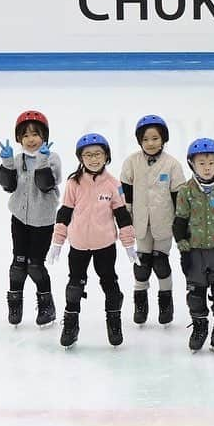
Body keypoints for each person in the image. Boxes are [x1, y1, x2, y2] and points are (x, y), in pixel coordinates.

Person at [48, 134, 138, 349]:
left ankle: (114, 322)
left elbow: (123, 216)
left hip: (104, 245)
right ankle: (70, 324)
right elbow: (65, 213)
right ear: (81, 158)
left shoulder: (114, 185)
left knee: (109, 283)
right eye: (87, 155)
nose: (93, 159)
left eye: (98, 154)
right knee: (74, 285)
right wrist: (57, 241)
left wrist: (129, 245)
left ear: (106, 156)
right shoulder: (74, 183)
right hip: (78, 244)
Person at [173, 138, 214, 353]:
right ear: (192, 164)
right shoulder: (186, 191)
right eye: (201, 163)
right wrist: (184, 250)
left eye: (211, 162)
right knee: (196, 293)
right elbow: (180, 222)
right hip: (196, 251)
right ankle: (200, 326)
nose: (207, 167)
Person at [0, 110, 62, 327]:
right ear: (19, 139)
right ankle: (15, 302)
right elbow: (9, 186)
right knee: (18, 263)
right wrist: (7, 163)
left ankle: (47, 305)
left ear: (44, 136)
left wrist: (42, 162)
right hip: (19, 219)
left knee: (35, 265)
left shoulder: (52, 159)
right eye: (25, 135)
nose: (31, 139)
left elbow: (46, 185)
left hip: (42, 221)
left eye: (35, 134)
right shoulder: (17, 159)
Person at [120, 115, 186, 327]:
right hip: (140, 222)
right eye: (146, 139)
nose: (151, 143)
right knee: (142, 263)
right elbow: (126, 192)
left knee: (160, 261)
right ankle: (140, 304)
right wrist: (126, 216)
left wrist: (181, 223)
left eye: (155, 138)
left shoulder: (172, 165)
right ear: (140, 140)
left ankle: (166, 303)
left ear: (163, 139)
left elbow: (179, 196)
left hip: (164, 223)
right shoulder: (132, 162)